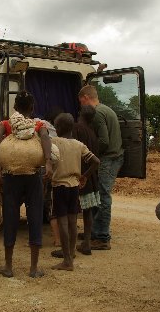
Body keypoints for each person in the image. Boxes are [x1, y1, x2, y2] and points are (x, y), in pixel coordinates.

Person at [0, 91, 52, 278]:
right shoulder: (38, 125)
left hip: (11, 178)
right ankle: (33, 268)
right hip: (33, 178)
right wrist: (48, 162)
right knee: (35, 218)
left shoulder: (6, 124)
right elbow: (46, 139)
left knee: (10, 219)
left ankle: (8, 266)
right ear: (32, 108)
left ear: (15, 107)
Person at [49, 113, 99, 271]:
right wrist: (84, 176)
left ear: (58, 128)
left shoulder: (54, 142)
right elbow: (96, 161)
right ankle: (71, 255)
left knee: (62, 222)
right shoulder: (78, 144)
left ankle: (67, 260)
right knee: (72, 222)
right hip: (74, 188)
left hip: (59, 187)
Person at [78, 85, 124, 250]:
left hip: (108, 159)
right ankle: (94, 232)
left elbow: (103, 141)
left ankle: (103, 238)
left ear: (85, 98)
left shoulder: (97, 114)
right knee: (98, 195)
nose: (81, 105)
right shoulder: (107, 109)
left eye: (81, 101)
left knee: (103, 197)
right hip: (115, 156)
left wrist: (89, 154)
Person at [73, 105, 100, 255]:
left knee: (70, 211)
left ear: (79, 113)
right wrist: (88, 175)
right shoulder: (92, 132)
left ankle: (68, 246)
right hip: (90, 176)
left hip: (78, 175)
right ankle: (87, 243)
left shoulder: (76, 129)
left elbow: (73, 152)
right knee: (87, 210)